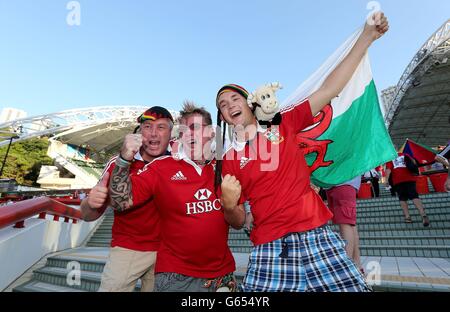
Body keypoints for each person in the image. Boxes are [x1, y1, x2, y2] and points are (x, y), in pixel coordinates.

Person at [215, 12, 389, 292]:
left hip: (317, 235)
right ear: (223, 117)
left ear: (249, 104)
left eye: (234, 98)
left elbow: (330, 88)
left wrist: (366, 38)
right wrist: (228, 203)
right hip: (270, 247)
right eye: (222, 104)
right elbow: (235, 222)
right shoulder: (229, 161)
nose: (229, 105)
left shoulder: (283, 123)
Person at [108, 102, 238, 292]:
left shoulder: (225, 167)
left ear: (211, 132)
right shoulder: (161, 167)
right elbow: (120, 202)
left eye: (195, 127)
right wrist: (124, 158)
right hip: (177, 276)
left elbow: (240, 220)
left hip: (223, 276)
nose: (190, 134)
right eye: (184, 131)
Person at [80, 106, 173, 292]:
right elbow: (87, 215)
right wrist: (91, 203)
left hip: (168, 251)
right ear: (139, 132)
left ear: (171, 133)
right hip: (128, 248)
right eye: (147, 126)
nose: (154, 133)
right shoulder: (118, 162)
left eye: (161, 127)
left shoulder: (179, 162)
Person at [325, 176, 363, 273]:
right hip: (339, 183)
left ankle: (347, 264)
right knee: (350, 224)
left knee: (345, 223)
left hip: (342, 182)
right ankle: (356, 263)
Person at [385, 152, 430, 227]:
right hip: (410, 178)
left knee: (402, 198)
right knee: (414, 196)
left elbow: (388, 170)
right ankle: (423, 214)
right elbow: (414, 162)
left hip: (398, 180)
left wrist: (386, 180)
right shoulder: (405, 154)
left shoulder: (390, 158)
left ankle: (407, 217)